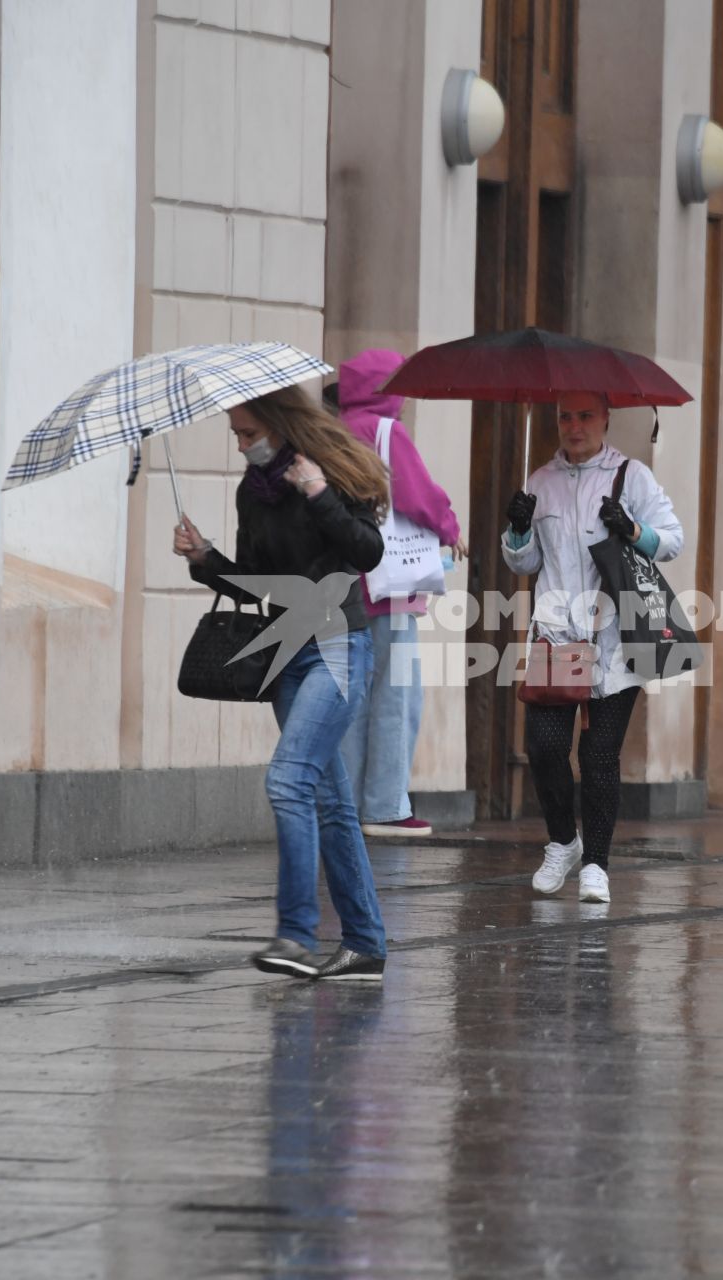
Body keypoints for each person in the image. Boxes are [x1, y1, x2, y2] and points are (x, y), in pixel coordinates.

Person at [172, 385, 393, 980]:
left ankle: (296, 935)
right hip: (286, 654)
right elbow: (258, 584)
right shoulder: (253, 491)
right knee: (327, 799)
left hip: (338, 647)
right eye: (237, 437)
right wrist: (206, 558)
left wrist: (318, 493)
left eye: (249, 434)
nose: (243, 446)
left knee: (288, 780)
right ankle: (366, 943)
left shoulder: (331, 472)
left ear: (277, 423)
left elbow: (368, 553)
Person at [501, 391, 684, 904]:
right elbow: (522, 564)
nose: (574, 426)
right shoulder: (539, 480)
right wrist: (517, 530)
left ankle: (597, 866)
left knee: (599, 755)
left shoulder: (632, 477)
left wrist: (632, 529)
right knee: (543, 747)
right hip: (556, 634)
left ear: (604, 419)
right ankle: (563, 841)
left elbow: (672, 540)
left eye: (585, 416)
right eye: (565, 416)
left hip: (614, 636)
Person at [328, 350, 464, 839]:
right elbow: (417, 495)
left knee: (354, 698)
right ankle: (385, 805)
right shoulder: (387, 433)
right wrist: (449, 526)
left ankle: (348, 804)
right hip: (390, 584)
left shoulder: (335, 432)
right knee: (397, 694)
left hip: (345, 583)